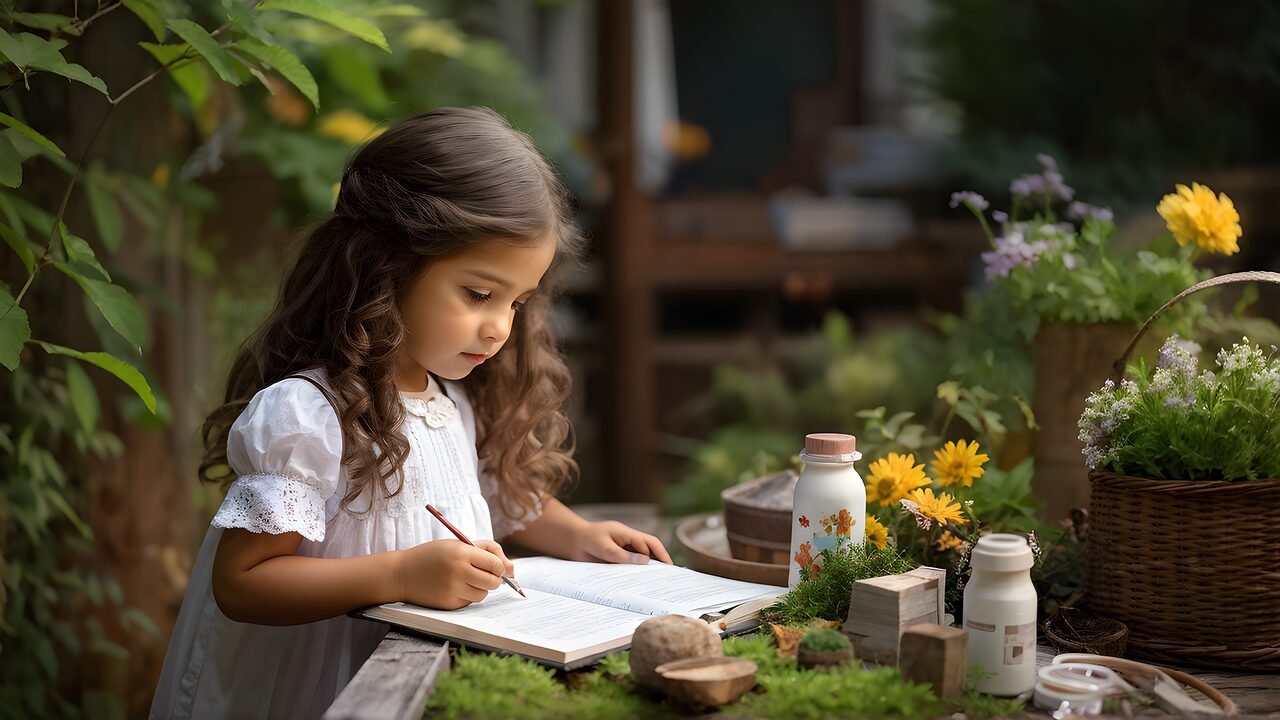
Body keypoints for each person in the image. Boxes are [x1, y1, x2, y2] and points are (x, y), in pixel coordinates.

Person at [151, 107, 671, 719]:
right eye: (478, 294)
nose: (501, 327)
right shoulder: (308, 415)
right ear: (387, 266)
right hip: (305, 689)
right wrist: (401, 573)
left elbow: (494, 497)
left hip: (409, 679)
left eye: (518, 302)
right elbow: (243, 582)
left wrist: (578, 535)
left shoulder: (452, 399)